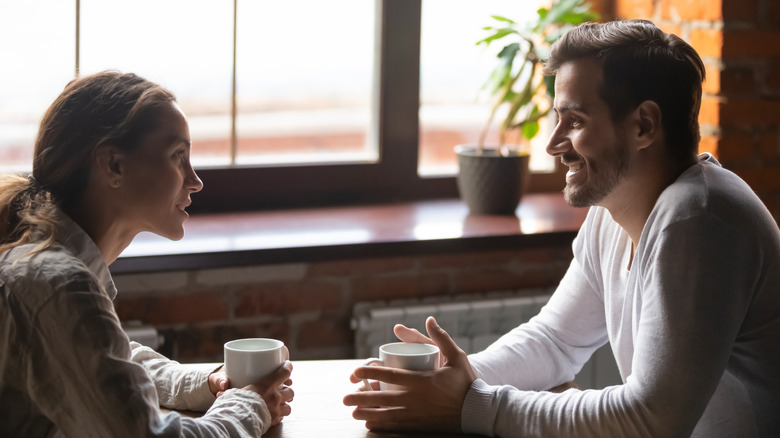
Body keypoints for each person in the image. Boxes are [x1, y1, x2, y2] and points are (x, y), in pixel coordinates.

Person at [344, 19, 780, 437]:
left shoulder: (698, 219)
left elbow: (652, 421)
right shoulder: (614, 213)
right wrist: (444, 381)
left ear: (644, 125)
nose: (552, 144)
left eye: (575, 121)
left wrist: (469, 404)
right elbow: (555, 341)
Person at [0, 71, 294, 437]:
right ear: (113, 165)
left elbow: (102, 360)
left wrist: (208, 383)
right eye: (178, 155)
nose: (195, 179)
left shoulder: (51, 268)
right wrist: (250, 405)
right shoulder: (58, 283)